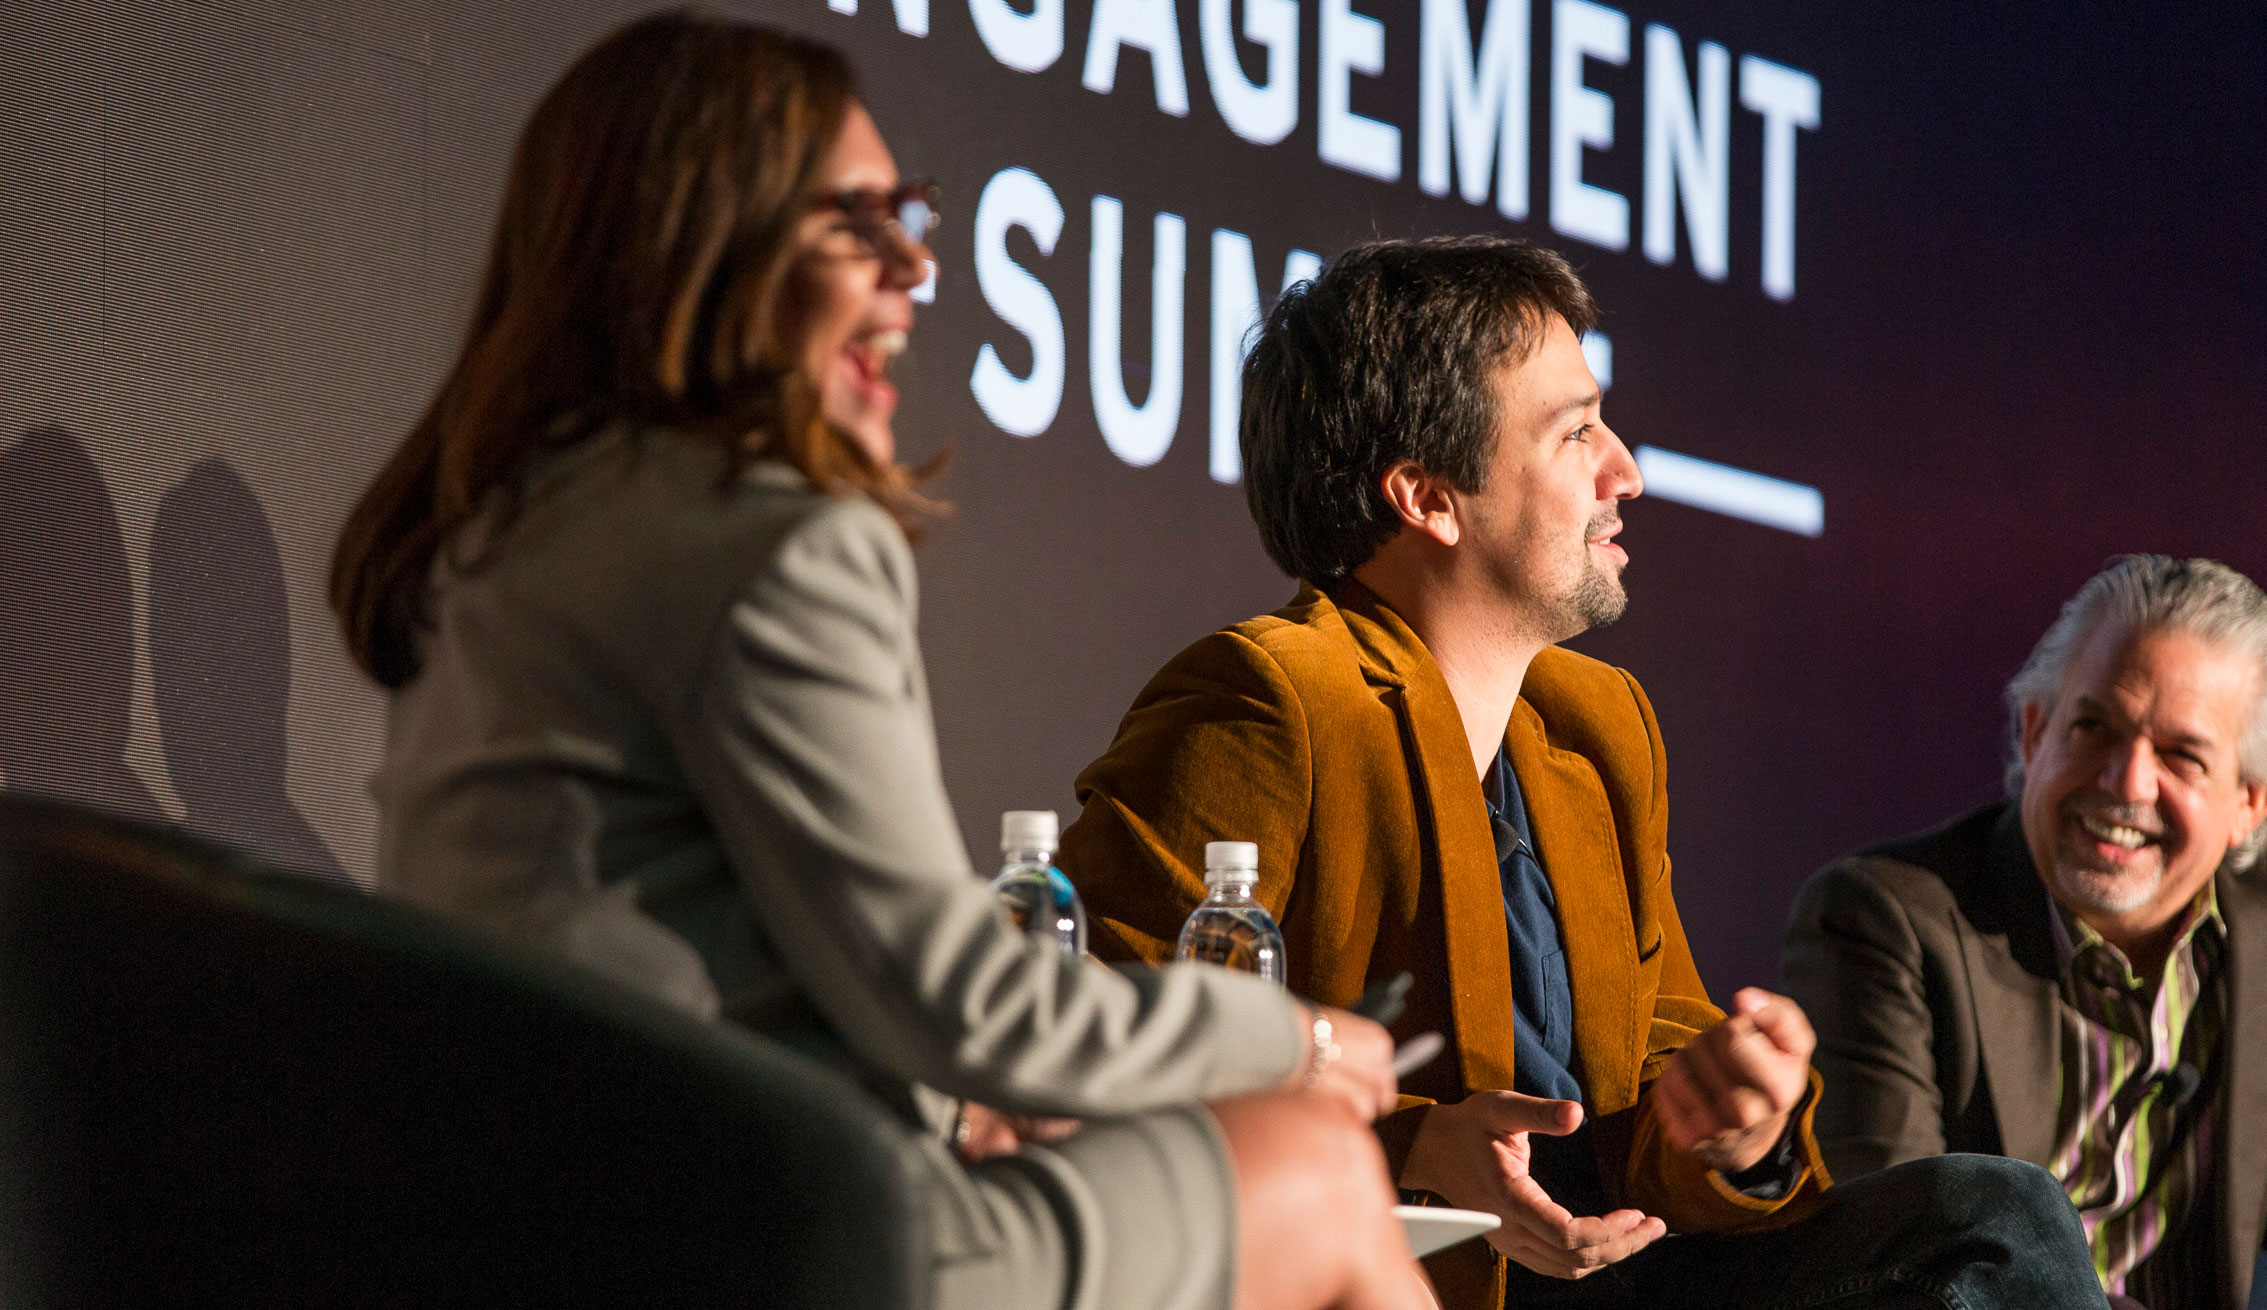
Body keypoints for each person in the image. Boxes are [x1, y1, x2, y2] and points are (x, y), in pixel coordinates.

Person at [328, 14, 1430, 1310]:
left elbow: (706, 955)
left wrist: (947, 1104)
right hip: (762, 1238)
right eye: (859, 223)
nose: (914, 267)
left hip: (543, 1229)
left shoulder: (512, 521)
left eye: (915, 217)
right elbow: (965, 1001)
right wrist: (1291, 1038)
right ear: (706, 238)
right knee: (1322, 1164)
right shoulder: (772, 539)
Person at [1062, 236, 2109, 1310]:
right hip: (1405, 1280)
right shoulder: (1267, 698)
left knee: (1993, 1223)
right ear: (1429, 496)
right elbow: (1079, 1051)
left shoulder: (1596, 723)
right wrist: (1414, 1145)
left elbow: (1653, 1082)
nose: (1628, 471)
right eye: (1576, 433)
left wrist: (1734, 1121)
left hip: (1612, 1274)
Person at [1780, 556, 2267, 1310]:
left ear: (2252, 804)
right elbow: (1905, 1268)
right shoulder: (1884, 919)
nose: (2126, 781)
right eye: (2094, 727)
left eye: (2181, 755)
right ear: (2035, 732)